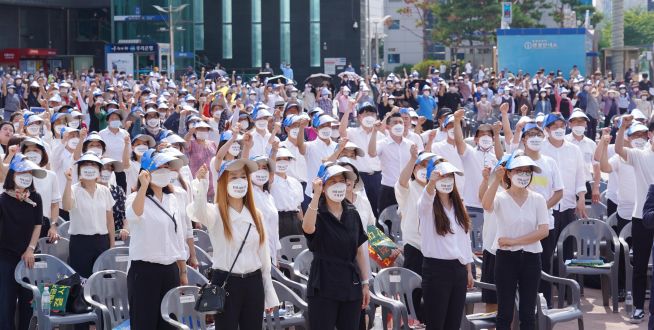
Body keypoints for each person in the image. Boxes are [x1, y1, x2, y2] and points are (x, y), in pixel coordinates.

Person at [188, 159, 279, 329]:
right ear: (223, 182)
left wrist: (269, 292)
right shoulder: (215, 212)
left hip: (253, 282)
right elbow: (198, 212)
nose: (239, 181)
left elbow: (264, 258)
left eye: (243, 177)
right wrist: (201, 183)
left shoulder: (256, 214)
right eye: (233, 177)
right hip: (226, 282)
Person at [482, 154, 550, 330]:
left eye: (527, 172)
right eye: (519, 171)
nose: (524, 175)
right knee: (504, 312)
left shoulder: (538, 199)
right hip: (505, 259)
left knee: (528, 314)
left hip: (531, 258)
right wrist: (496, 179)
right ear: (509, 173)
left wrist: (514, 241)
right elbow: (486, 205)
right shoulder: (501, 198)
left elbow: (543, 231)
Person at [125, 149, 189, 329]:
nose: (163, 171)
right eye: (158, 167)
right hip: (144, 271)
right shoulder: (134, 198)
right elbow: (134, 214)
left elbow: (179, 236)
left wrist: (183, 271)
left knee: (169, 322)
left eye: (166, 167)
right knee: (144, 322)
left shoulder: (172, 199)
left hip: (170, 270)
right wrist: (143, 186)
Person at [302, 163, 370, 330]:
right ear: (323, 187)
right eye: (332, 182)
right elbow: (308, 228)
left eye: (341, 181)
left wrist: (366, 283)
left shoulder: (352, 212)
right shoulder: (317, 211)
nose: (338, 185)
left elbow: (360, 251)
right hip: (324, 284)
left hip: (350, 283)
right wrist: (316, 196)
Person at [417, 159, 473, 330]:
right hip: (436, 270)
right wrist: (432, 182)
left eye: (450, 176)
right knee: (436, 323)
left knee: (453, 323)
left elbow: (465, 240)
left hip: (458, 269)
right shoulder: (427, 204)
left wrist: (468, 270)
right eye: (443, 176)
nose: (447, 180)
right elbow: (425, 201)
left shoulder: (459, 205)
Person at [614, 114, 654, 323]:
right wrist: (622, 128)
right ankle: (639, 307)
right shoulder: (639, 155)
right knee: (639, 266)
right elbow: (619, 150)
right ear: (650, 135)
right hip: (642, 218)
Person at [0, 154, 45, 330]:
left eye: (29, 172)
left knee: (29, 302)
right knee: (6, 303)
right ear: (12, 174)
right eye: (22, 171)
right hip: (6, 257)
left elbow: (38, 225)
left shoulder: (36, 198)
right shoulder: (2, 200)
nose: (26, 175)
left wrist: (30, 249)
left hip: (29, 258)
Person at [62, 152, 115, 278]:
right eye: (85, 164)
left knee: (102, 279)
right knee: (81, 281)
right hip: (80, 242)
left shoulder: (104, 190)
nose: (89, 167)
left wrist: (112, 244)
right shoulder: (74, 189)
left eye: (93, 164)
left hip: (102, 241)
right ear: (80, 170)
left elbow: (110, 220)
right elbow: (66, 206)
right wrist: (68, 182)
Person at [368, 111, 415, 214]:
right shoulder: (382, 143)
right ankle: (373, 231)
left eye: (400, 122)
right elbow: (371, 153)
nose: (398, 124)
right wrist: (374, 131)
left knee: (407, 221)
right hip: (388, 189)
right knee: (384, 222)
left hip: (407, 189)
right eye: (395, 122)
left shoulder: (411, 144)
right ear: (388, 126)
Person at [250, 154, 281, 264]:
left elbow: (274, 228)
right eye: (257, 168)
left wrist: (276, 254)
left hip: (271, 253)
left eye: (264, 168)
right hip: (256, 253)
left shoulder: (269, 197)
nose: (261, 171)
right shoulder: (249, 193)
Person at [270, 147, 304, 238]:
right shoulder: (270, 181)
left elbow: (299, 206)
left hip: (295, 220)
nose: (282, 162)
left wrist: (302, 223)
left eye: (285, 159)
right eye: (279, 159)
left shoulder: (295, 182)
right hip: (277, 220)